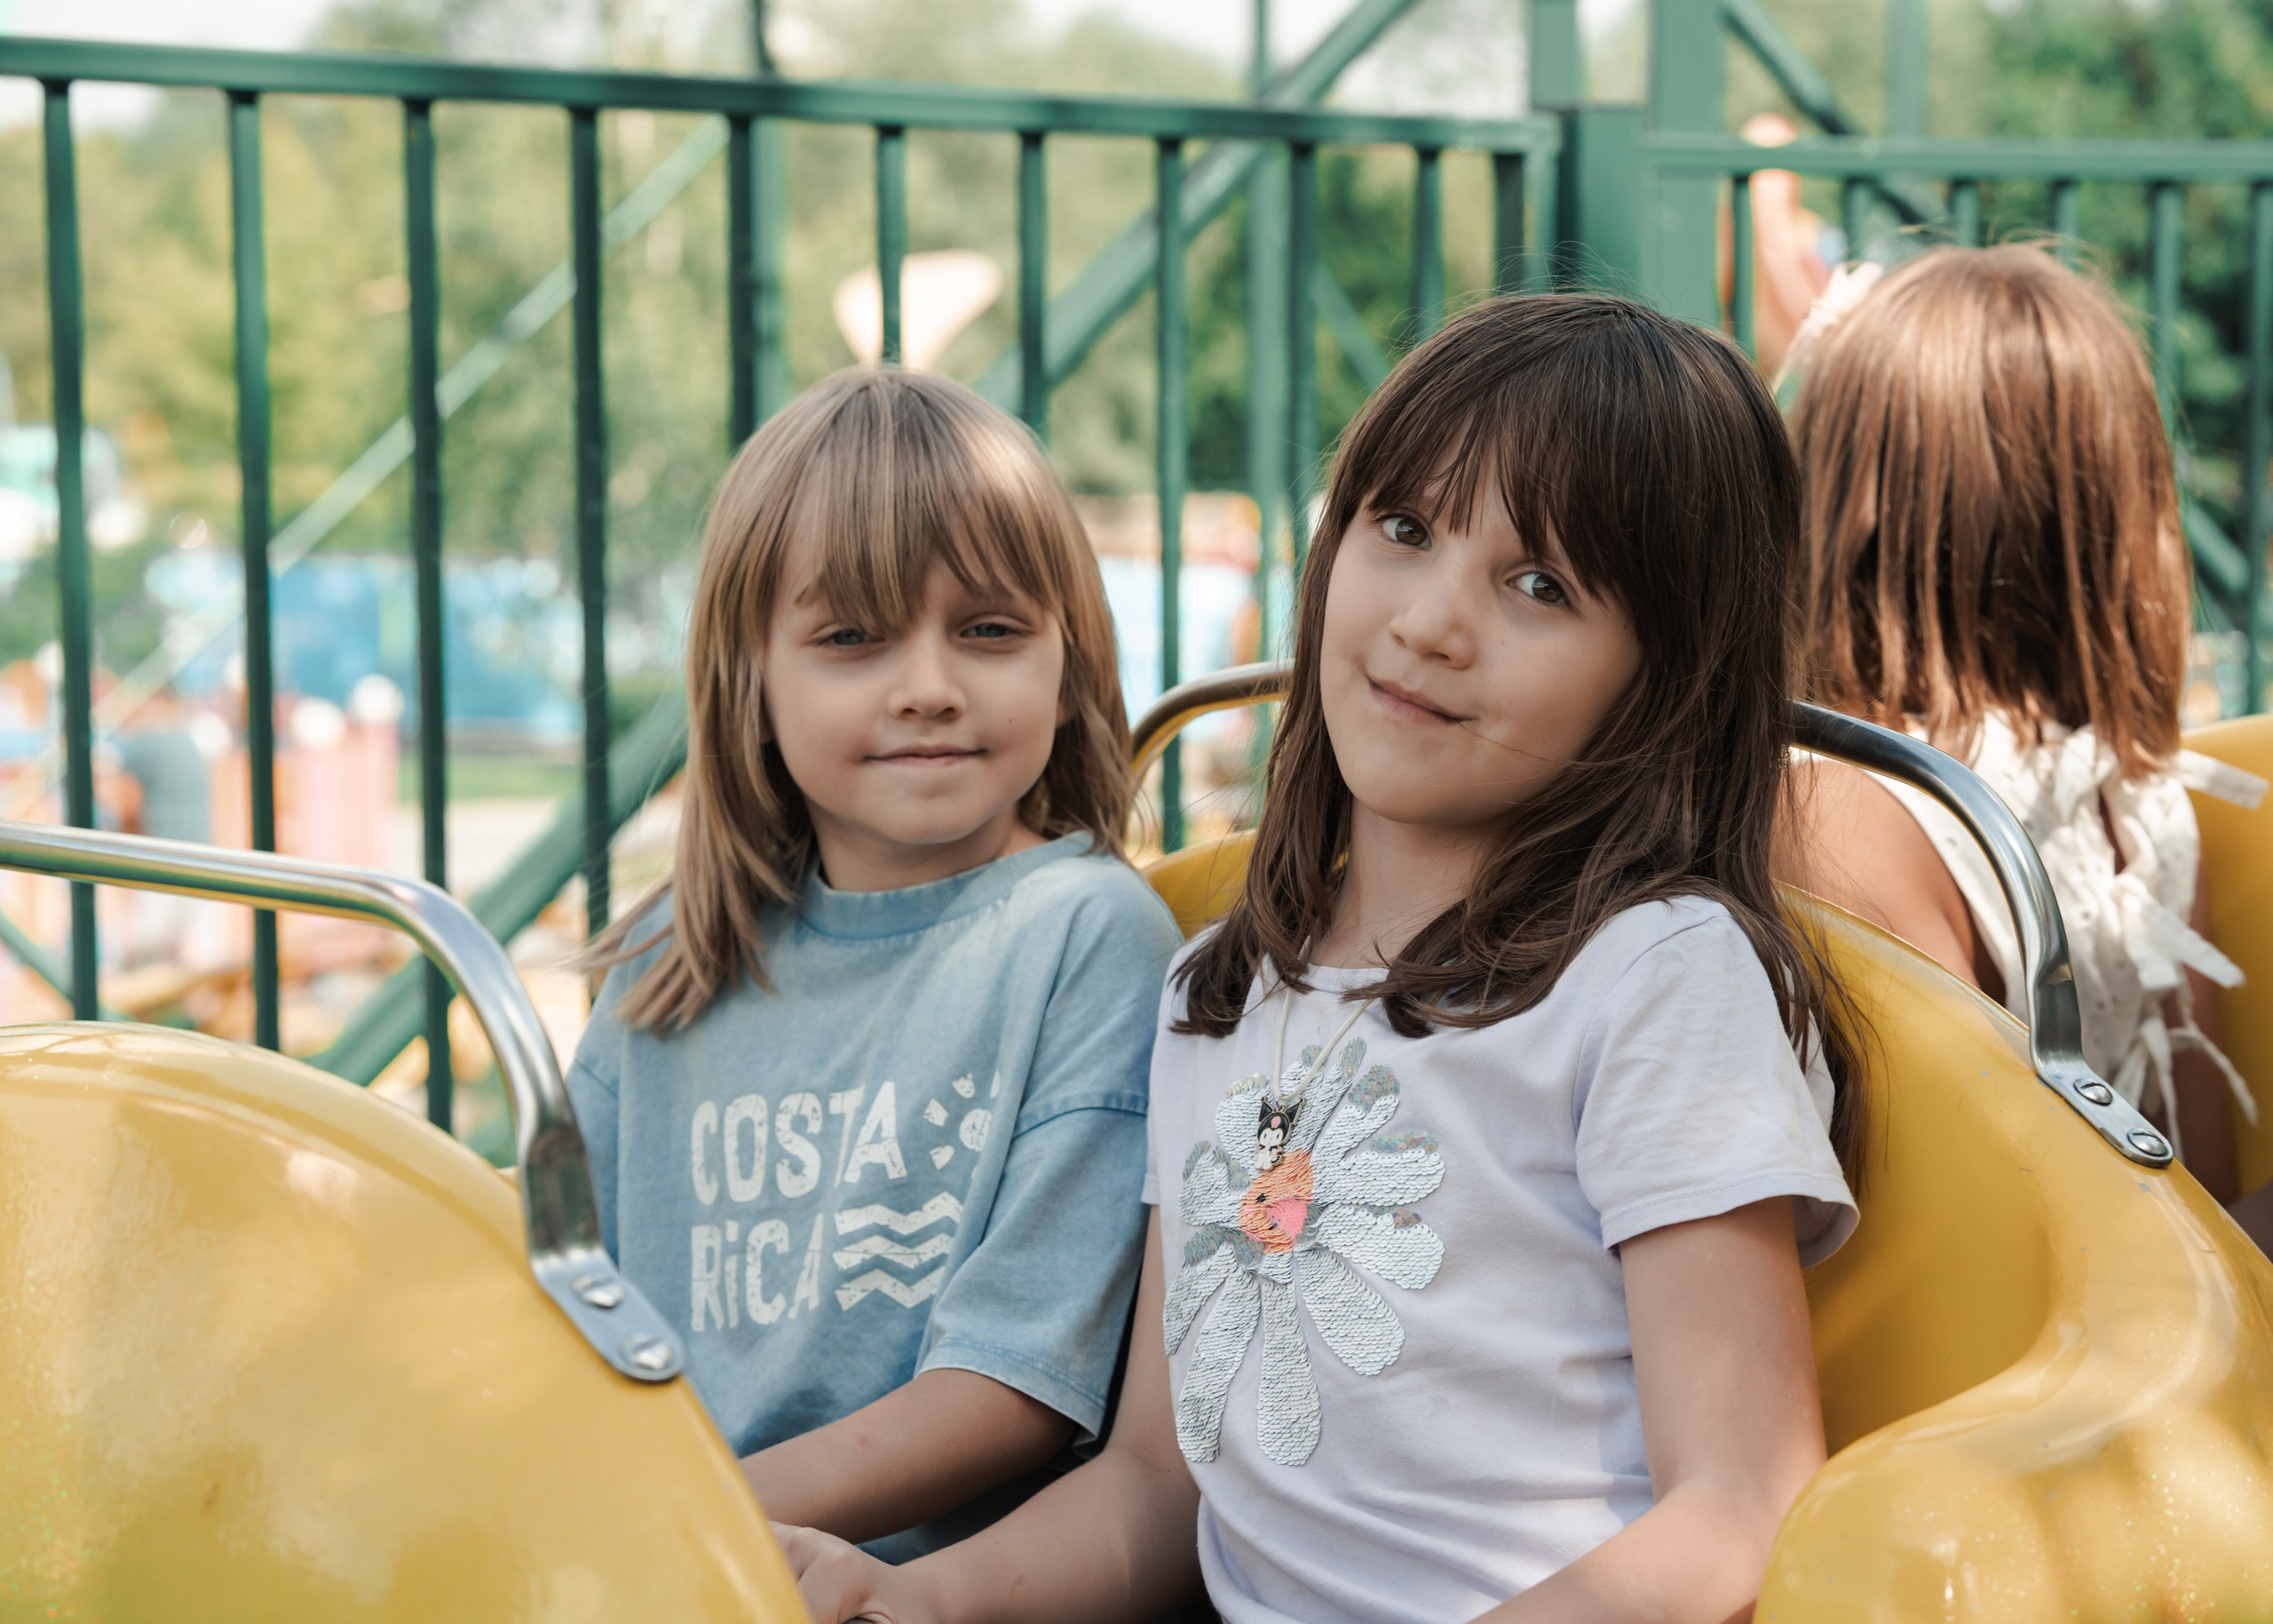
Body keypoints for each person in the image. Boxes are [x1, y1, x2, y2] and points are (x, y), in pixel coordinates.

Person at [780, 294, 1862, 1624]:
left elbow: (1743, 1500)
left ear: (1663, 676)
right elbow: (1159, 1484)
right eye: (1403, 528)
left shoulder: (1654, 978)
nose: (1431, 622)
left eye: (1541, 585)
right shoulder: (1218, 993)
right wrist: (910, 1597)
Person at [567, 368, 1184, 1558]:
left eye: (989, 630)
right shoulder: (671, 957)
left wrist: (677, 1525)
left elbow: (1010, 1389)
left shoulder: (1088, 938)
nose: (929, 690)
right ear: (752, 679)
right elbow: (546, 1306)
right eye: (852, 636)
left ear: (1069, 664)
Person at [1780, 243, 2273, 1252]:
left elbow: (1972, 1223)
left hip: (2010, 1320)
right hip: (2111, 1297)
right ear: (2117, 513)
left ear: (1835, 497)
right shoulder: (2135, 796)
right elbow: (2205, 1201)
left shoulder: (1832, 803)